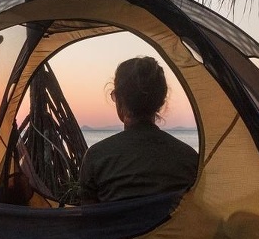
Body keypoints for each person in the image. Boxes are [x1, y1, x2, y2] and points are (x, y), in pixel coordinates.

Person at [78, 56, 198, 204]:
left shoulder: (97, 157)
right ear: (161, 101)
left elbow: (89, 219)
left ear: (120, 99)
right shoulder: (189, 159)